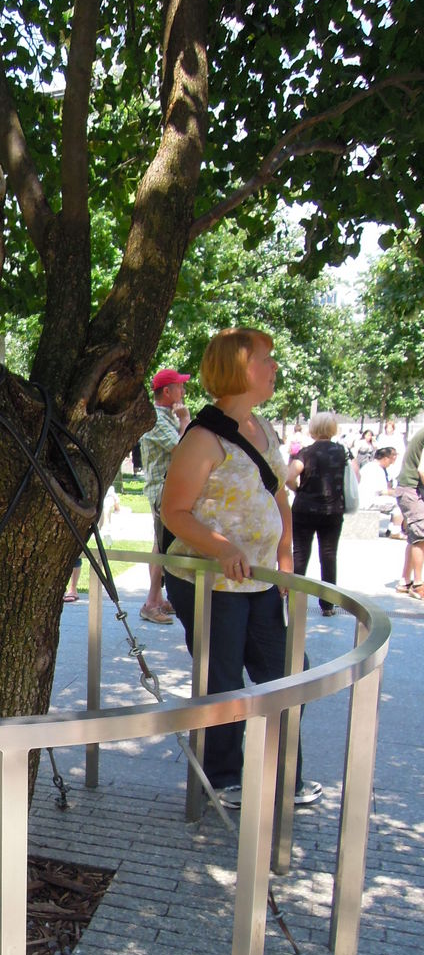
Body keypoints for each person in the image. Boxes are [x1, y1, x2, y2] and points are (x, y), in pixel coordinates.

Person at [161, 326, 322, 810]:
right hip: (209, 584)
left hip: (260, 581)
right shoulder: (202, 438)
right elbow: (174, 512)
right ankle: (223, 777)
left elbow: (278, 498)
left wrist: (286, 560)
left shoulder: (263, 427)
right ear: (238, 368)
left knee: (287, 673)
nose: (275, 367)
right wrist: (221, 547)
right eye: (266, 359)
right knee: (223, 682)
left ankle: (283, 775)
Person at [286, 411, 354, 617]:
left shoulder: (306, 452)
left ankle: (293, 601)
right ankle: (328, 604)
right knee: (329, 555)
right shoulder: (342, 451)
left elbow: (288, 476)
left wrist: (298, 490)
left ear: (313, 429)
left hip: (304, 510)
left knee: (300, 555)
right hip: (332, 511)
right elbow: (355, 476)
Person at [139, 367, 191, 623]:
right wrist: (186, 420)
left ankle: (157, 599)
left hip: (167, 489)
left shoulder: (166, 417)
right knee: (163, 545)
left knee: (160, 543)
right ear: (167, 392)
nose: (184, 390)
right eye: (180, 386)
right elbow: (184, 450)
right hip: (163, 490)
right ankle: (151, 603)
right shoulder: (156, 419)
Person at [395, 424, 424, 601]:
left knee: (415, 537)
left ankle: (405, 581)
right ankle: (418, 584)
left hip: (407, 489)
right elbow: (422, 469)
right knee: (421, 537)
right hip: (412, 490)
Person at [359, 446, 403, 538]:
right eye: (390, 461)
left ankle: (390, 530)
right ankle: (395, 532)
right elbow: (382, 491)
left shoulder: (369, 466)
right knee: (399, 503)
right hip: (368, 501)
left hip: (363, 499)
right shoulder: (376, 469)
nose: (391, 463)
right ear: (385, 459)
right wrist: (399, 492)